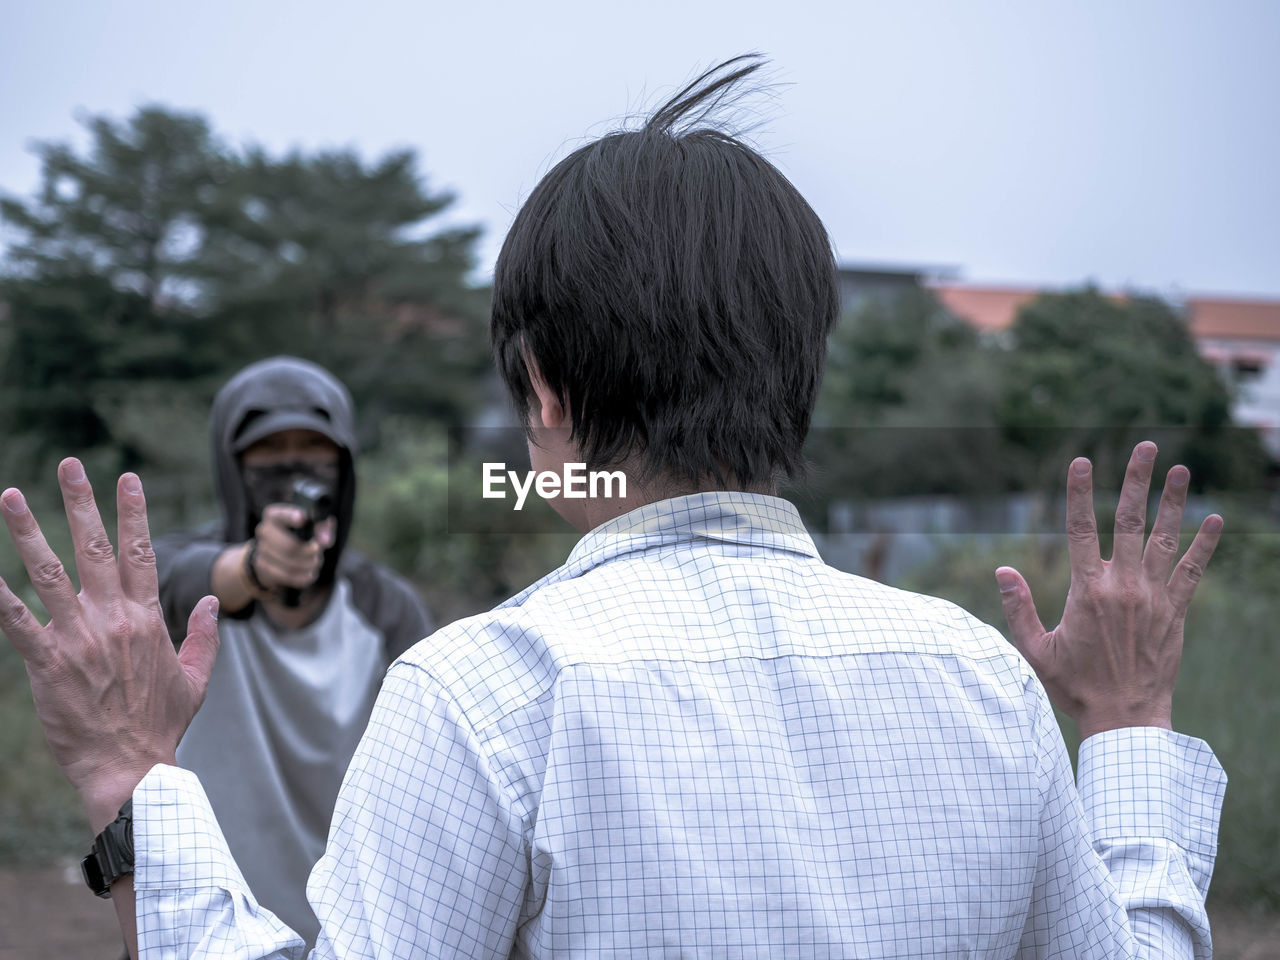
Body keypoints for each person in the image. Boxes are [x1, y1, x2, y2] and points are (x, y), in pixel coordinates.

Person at [0, 56, 1225, 959]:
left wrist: (126, 776)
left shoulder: (477, 693)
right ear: (801, 375)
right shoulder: (986, 683)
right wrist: (1123, 728)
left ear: (540, 392)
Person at [152, 355, 433, 944]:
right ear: (233, 466)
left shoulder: (385, 607)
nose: (291, 464)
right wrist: (254, 569)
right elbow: (187, 582)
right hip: (203, 921)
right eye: (268, 450)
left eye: (312, 447)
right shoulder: (173, 571)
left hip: (341, 929)